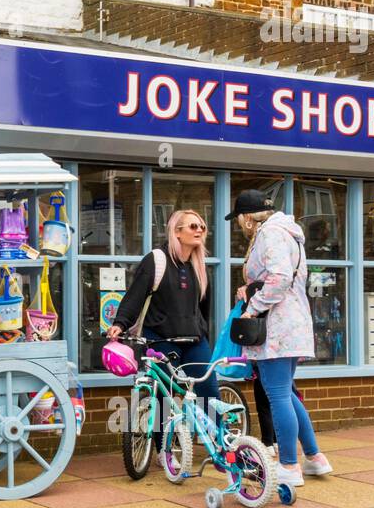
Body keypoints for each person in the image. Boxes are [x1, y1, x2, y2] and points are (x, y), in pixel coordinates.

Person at [227, 189, 333, 487]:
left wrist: (252, 308)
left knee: (277, 395)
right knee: (285, 392)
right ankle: (314, 458)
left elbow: (280, 277)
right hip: (294, 323)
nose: (238, 224)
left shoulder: (269, 234)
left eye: (238, 218)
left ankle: (289, 465)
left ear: (248, 218)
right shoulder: (290, 233)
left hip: (276, 328)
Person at [107, 209, 218, 424]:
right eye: (193, 226)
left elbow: (204, 308)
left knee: (208, 390)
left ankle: (221, 445)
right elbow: (135, 296)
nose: (199, 231)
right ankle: (163, 452)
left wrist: (202, 331)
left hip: (194, 340)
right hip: (160, 339)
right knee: (162, 397)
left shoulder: (199, 266)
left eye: (202, 227)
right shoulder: (156, 260)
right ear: (176, 232)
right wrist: (120, 324)